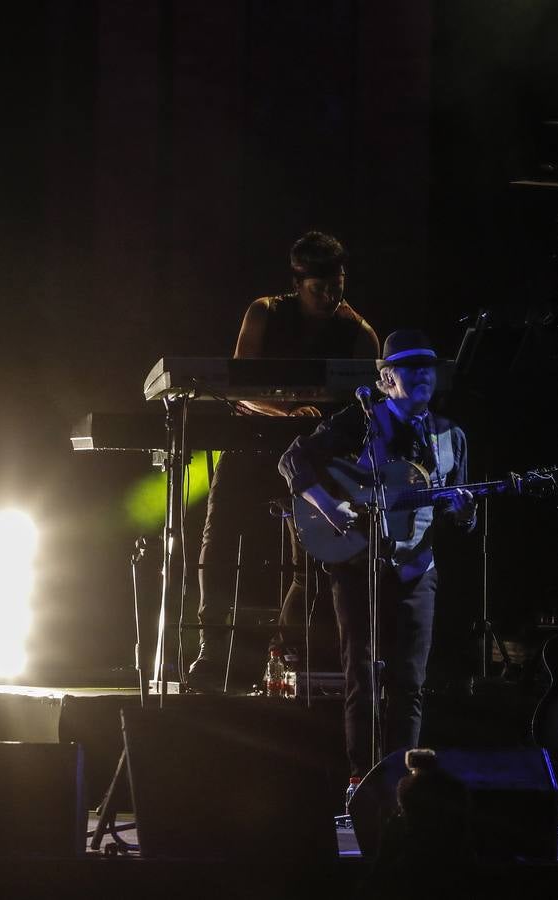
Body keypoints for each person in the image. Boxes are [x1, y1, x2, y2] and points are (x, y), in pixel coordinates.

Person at [279, 330, 475, 804]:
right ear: (386, 379)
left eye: (428, 367)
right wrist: (329, 506)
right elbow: (293, 461)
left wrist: (465, 509)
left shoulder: (451, 436)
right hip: (359, 565)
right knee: (362, 675)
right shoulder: (359, 422)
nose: (423, 375)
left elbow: (457, 513)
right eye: (410, 368)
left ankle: (403, 784)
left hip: (417, 568)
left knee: (410, 681)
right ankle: (360, 780)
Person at [189, 231, 380, 690]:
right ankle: (211, 652)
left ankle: (283, 655)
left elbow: (367, 406)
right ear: (297, 283)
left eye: (338, 285)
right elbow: (239, 387)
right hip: (251, 443)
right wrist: (288, 410)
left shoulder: (359, 332)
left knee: (310, 560)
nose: (331, 296)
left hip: (312, 455)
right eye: (320, 288)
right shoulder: (265, 312)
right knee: (219, 544)